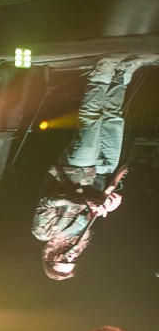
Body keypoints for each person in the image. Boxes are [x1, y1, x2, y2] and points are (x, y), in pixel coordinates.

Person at [32, 56, 154, 279]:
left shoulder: (43, 232)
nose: (69, 258)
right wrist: (110, 203)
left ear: (50, 257)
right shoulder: (82, 234)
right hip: (103, 172)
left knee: (91, 121)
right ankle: (124, 72)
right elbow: (96, 200)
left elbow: (47, 201)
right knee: (114, 119)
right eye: (72, 262)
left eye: (62, 261)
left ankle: (102, 72)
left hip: (76, 170)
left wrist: (81, 201)